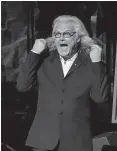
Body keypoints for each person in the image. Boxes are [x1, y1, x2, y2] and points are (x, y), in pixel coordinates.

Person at [16, 15, 109, 151]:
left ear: (78, 37)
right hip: (43, 141)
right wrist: (34, 52)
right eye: (57, 34)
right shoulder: (44, 61)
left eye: (67, 34)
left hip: (77, 142)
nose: (61, 38)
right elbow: (22, 86)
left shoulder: (90, 64)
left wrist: (97, 63)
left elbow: (100, 97)